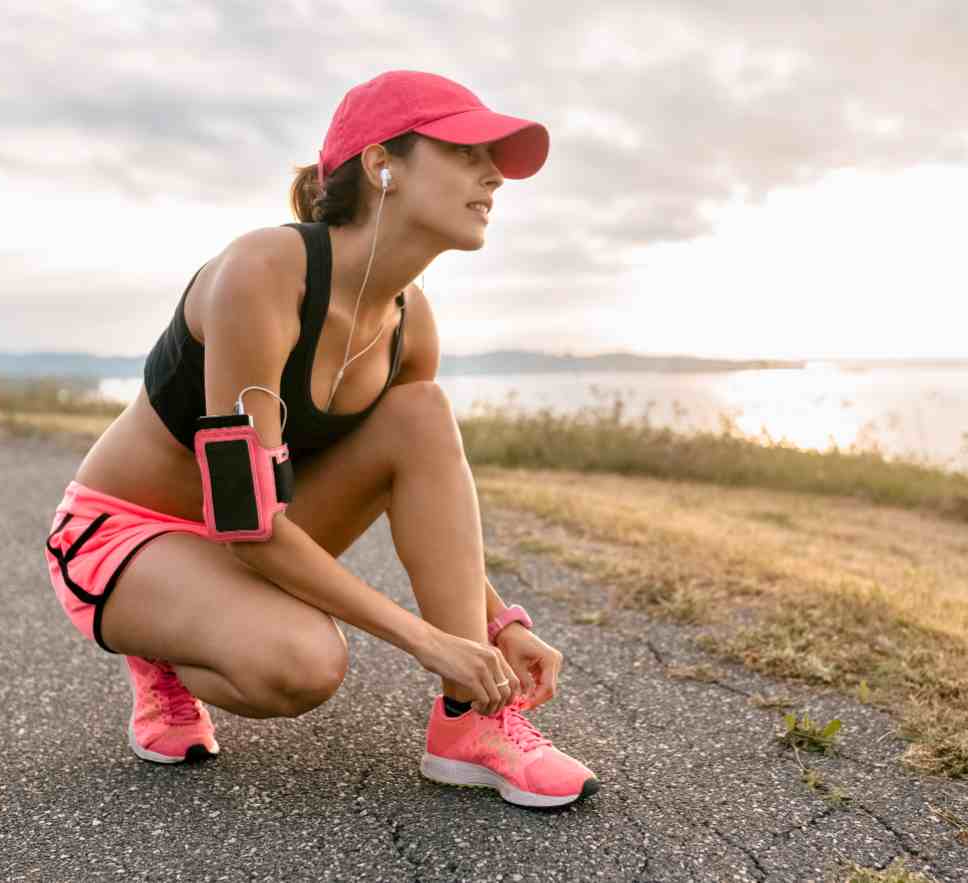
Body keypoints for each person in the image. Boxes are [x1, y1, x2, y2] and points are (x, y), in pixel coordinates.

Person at [42, 70, 600, 808]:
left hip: (242, 533)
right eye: (466, 152)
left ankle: (471, 721)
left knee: (420, 413)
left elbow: (428, 497)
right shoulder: (263, 273)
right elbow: (248, 523)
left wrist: (494, 628)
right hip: (124, 536)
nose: (493, 174)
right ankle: (167, 648)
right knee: (301, 663)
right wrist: (427, 640)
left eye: (493, 158)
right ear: (382, 164)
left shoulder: (412, 325)